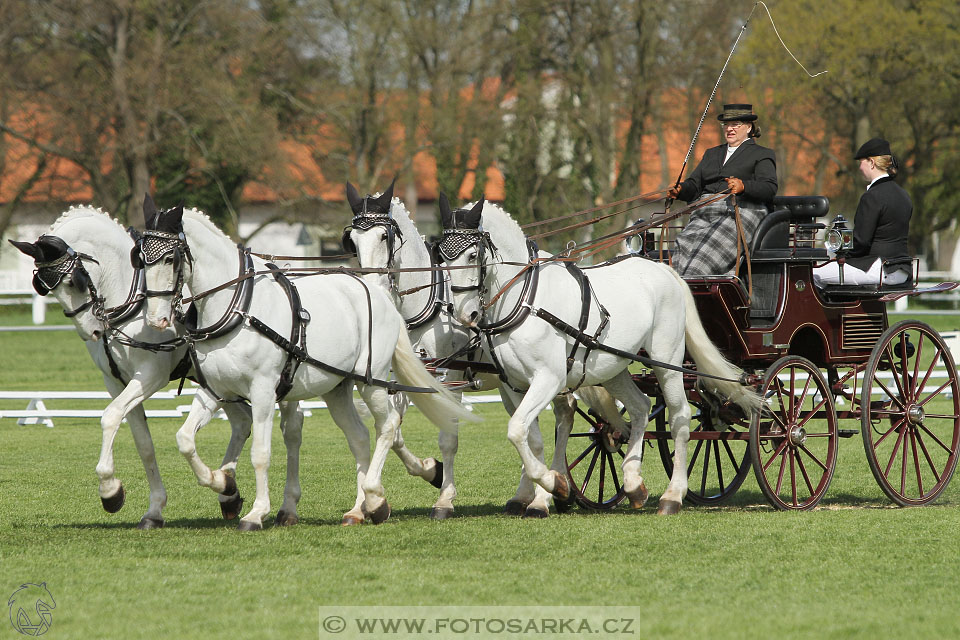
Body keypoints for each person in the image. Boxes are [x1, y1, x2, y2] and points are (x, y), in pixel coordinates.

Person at [668, 103, 778, 276]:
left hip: (742, 210)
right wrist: (681, 190)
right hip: (706, 211)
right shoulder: (712, 154)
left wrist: (744, 186)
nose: (730, 129)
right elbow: (695, 185)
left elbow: (769, 188)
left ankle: (693, 286)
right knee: (684, 245)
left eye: (736, 125)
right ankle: (681, 286)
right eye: (726, 124)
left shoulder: (762, 154)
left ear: (749, 127)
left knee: (705, 253)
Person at [812, 137, 912, 287]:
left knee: (812, 275)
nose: (859, 168)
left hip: (877, 268)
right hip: (902, 271)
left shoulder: (872, 196)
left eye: (861, 162)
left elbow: (861, 241)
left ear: (871, 163)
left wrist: (841, 257)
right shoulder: (904, 195)